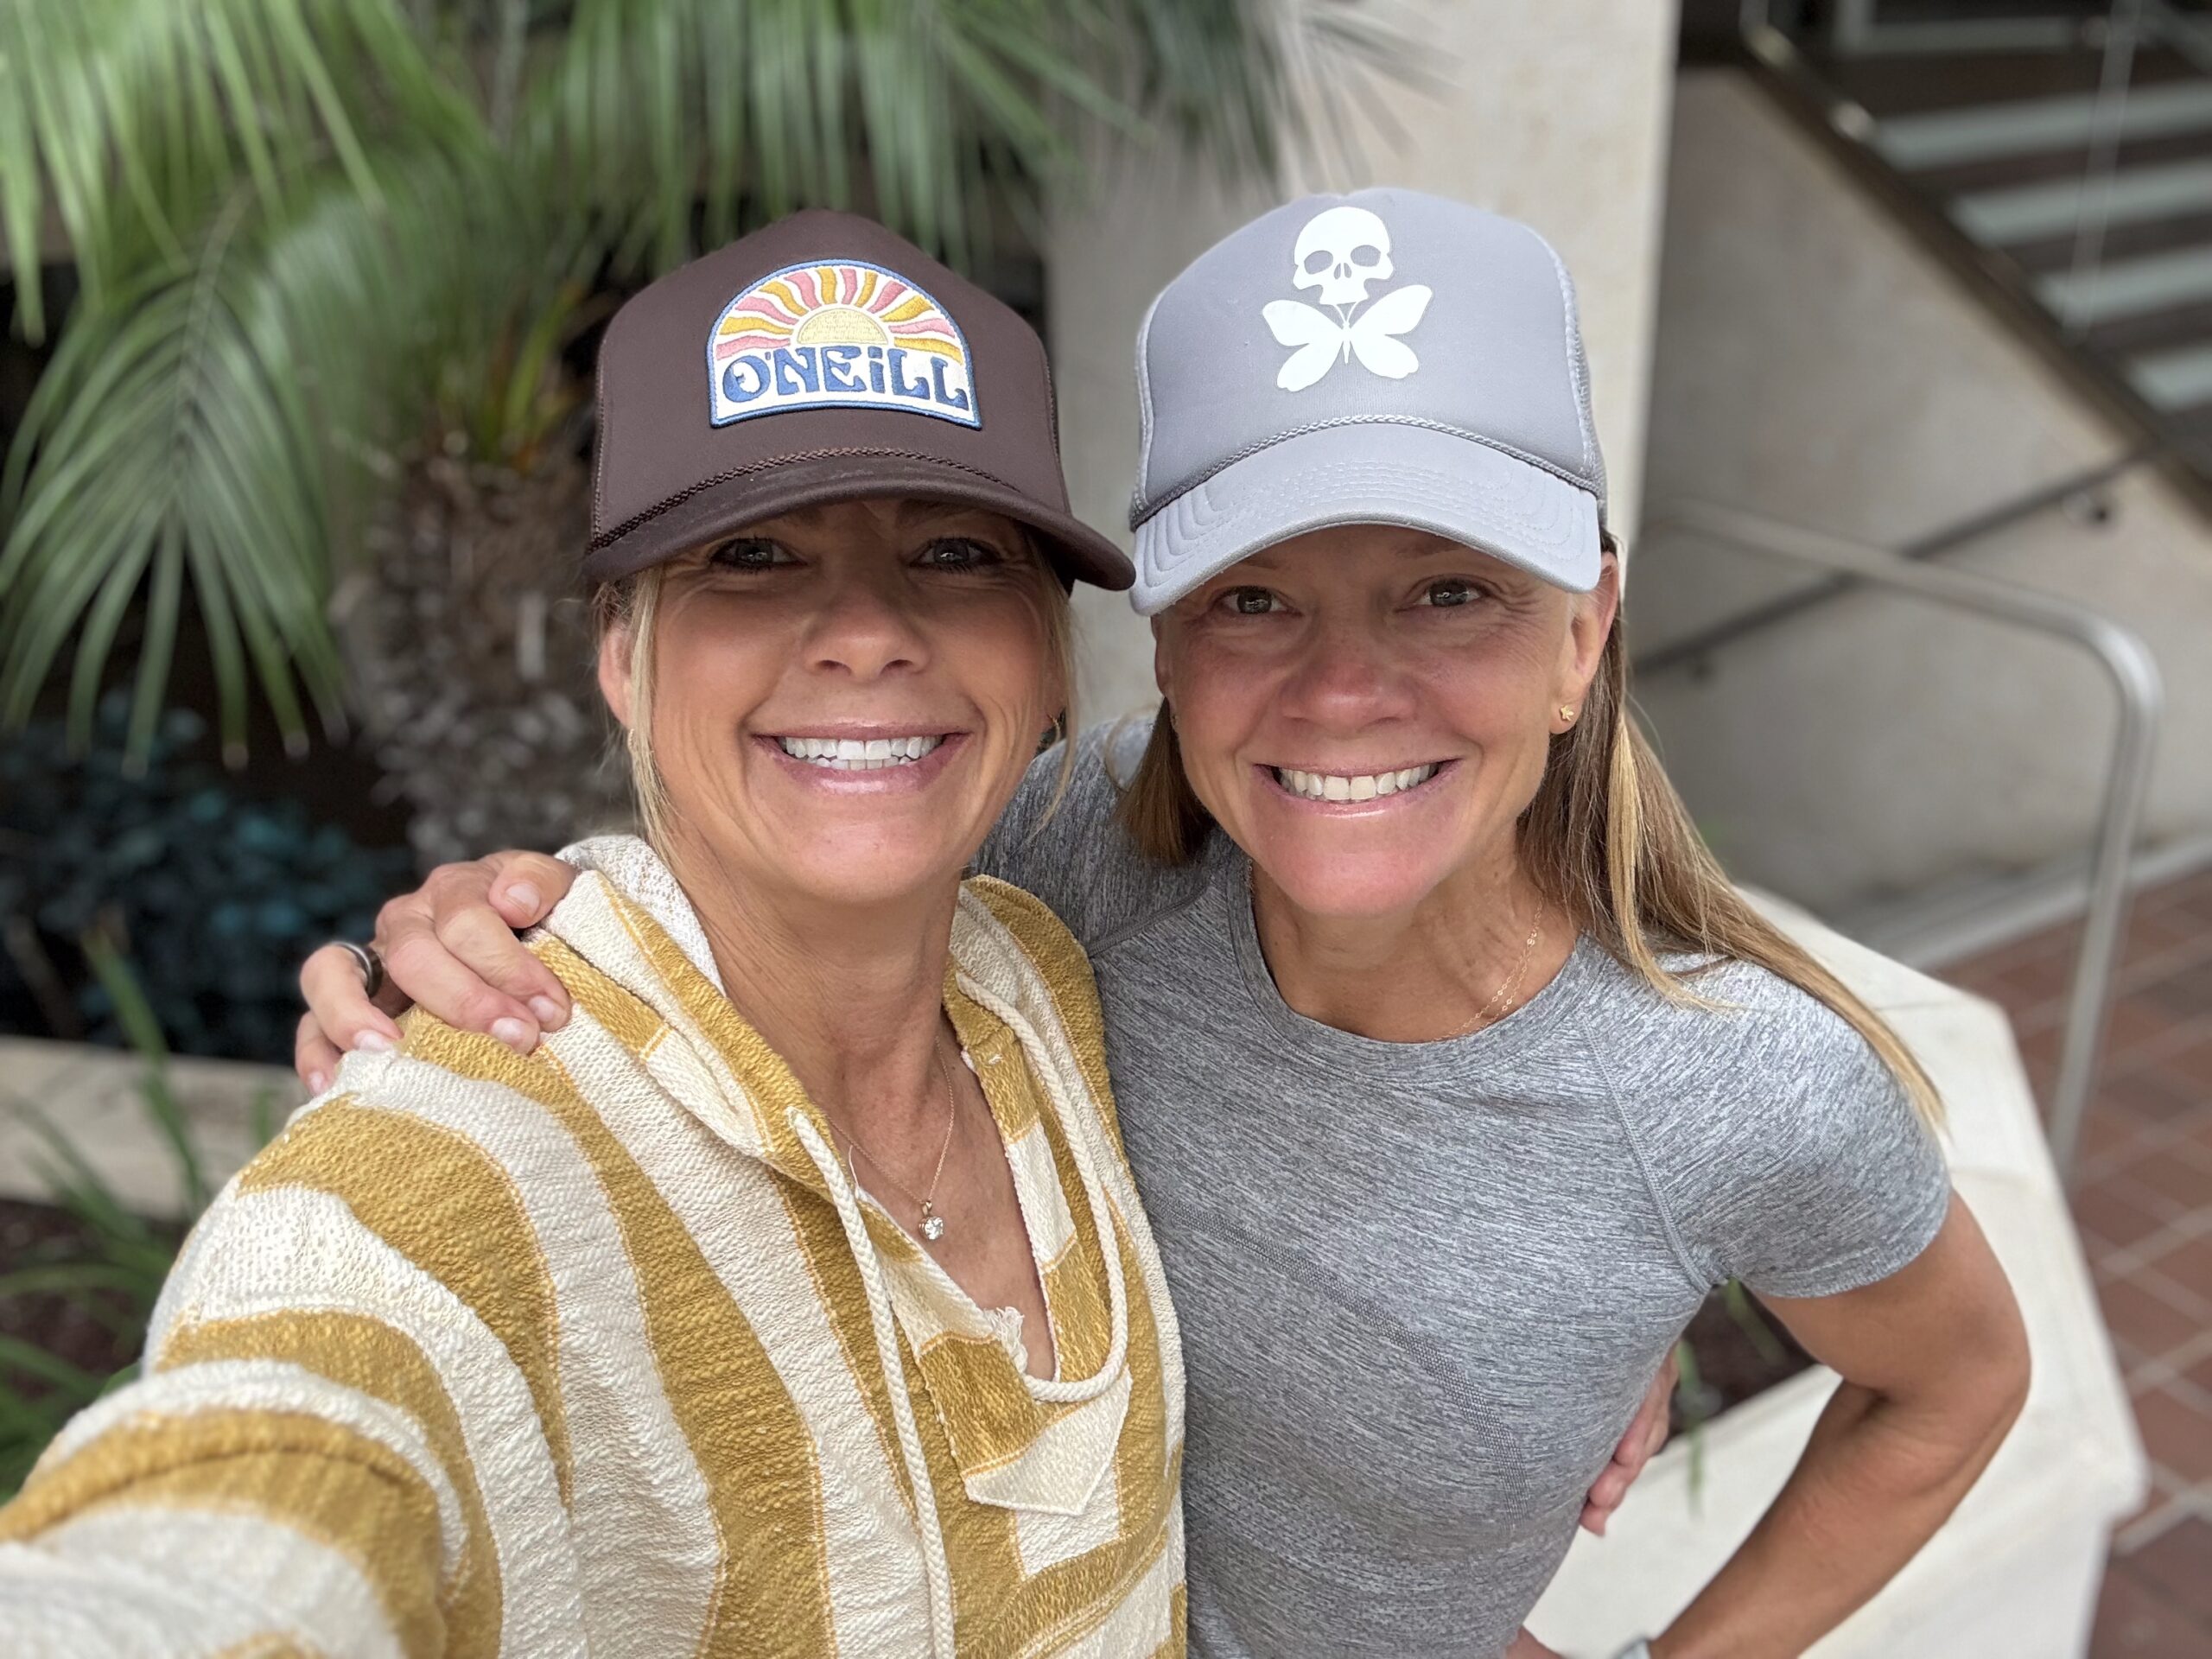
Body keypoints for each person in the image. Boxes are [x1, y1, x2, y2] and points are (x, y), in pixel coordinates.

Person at [296, 192, 2030, 1659]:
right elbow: (792, 855)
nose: (1344, 691)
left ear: (1582, 635)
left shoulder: (1736, 1087)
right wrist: (511, 921)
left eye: (1449, 591)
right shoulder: (1086, 847)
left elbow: (1949, 1391)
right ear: (1168, 649)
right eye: (1255, 599)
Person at [0, 212, 1190, 1657]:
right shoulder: (466, 1139)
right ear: (622, 653)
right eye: (754, 555)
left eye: (953, 551)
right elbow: (281, 1459)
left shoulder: (1052, 967)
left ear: (1050, 654)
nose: (867, 632)